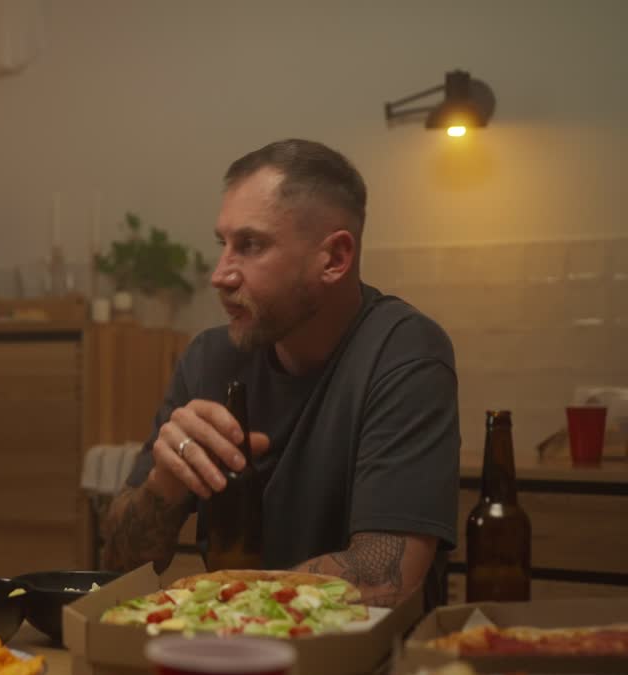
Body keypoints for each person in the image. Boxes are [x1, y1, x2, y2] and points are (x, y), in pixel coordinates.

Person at [100, 139, 459, 609]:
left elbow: (384, 577)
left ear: (333, 258)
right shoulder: (209, 358)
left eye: (250, 245)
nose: (220, 274)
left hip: (368, 669)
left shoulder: (403, 352)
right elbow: (117, 566)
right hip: (231, 655)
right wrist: (165, 481)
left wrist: (212, 601)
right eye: (222, 244)